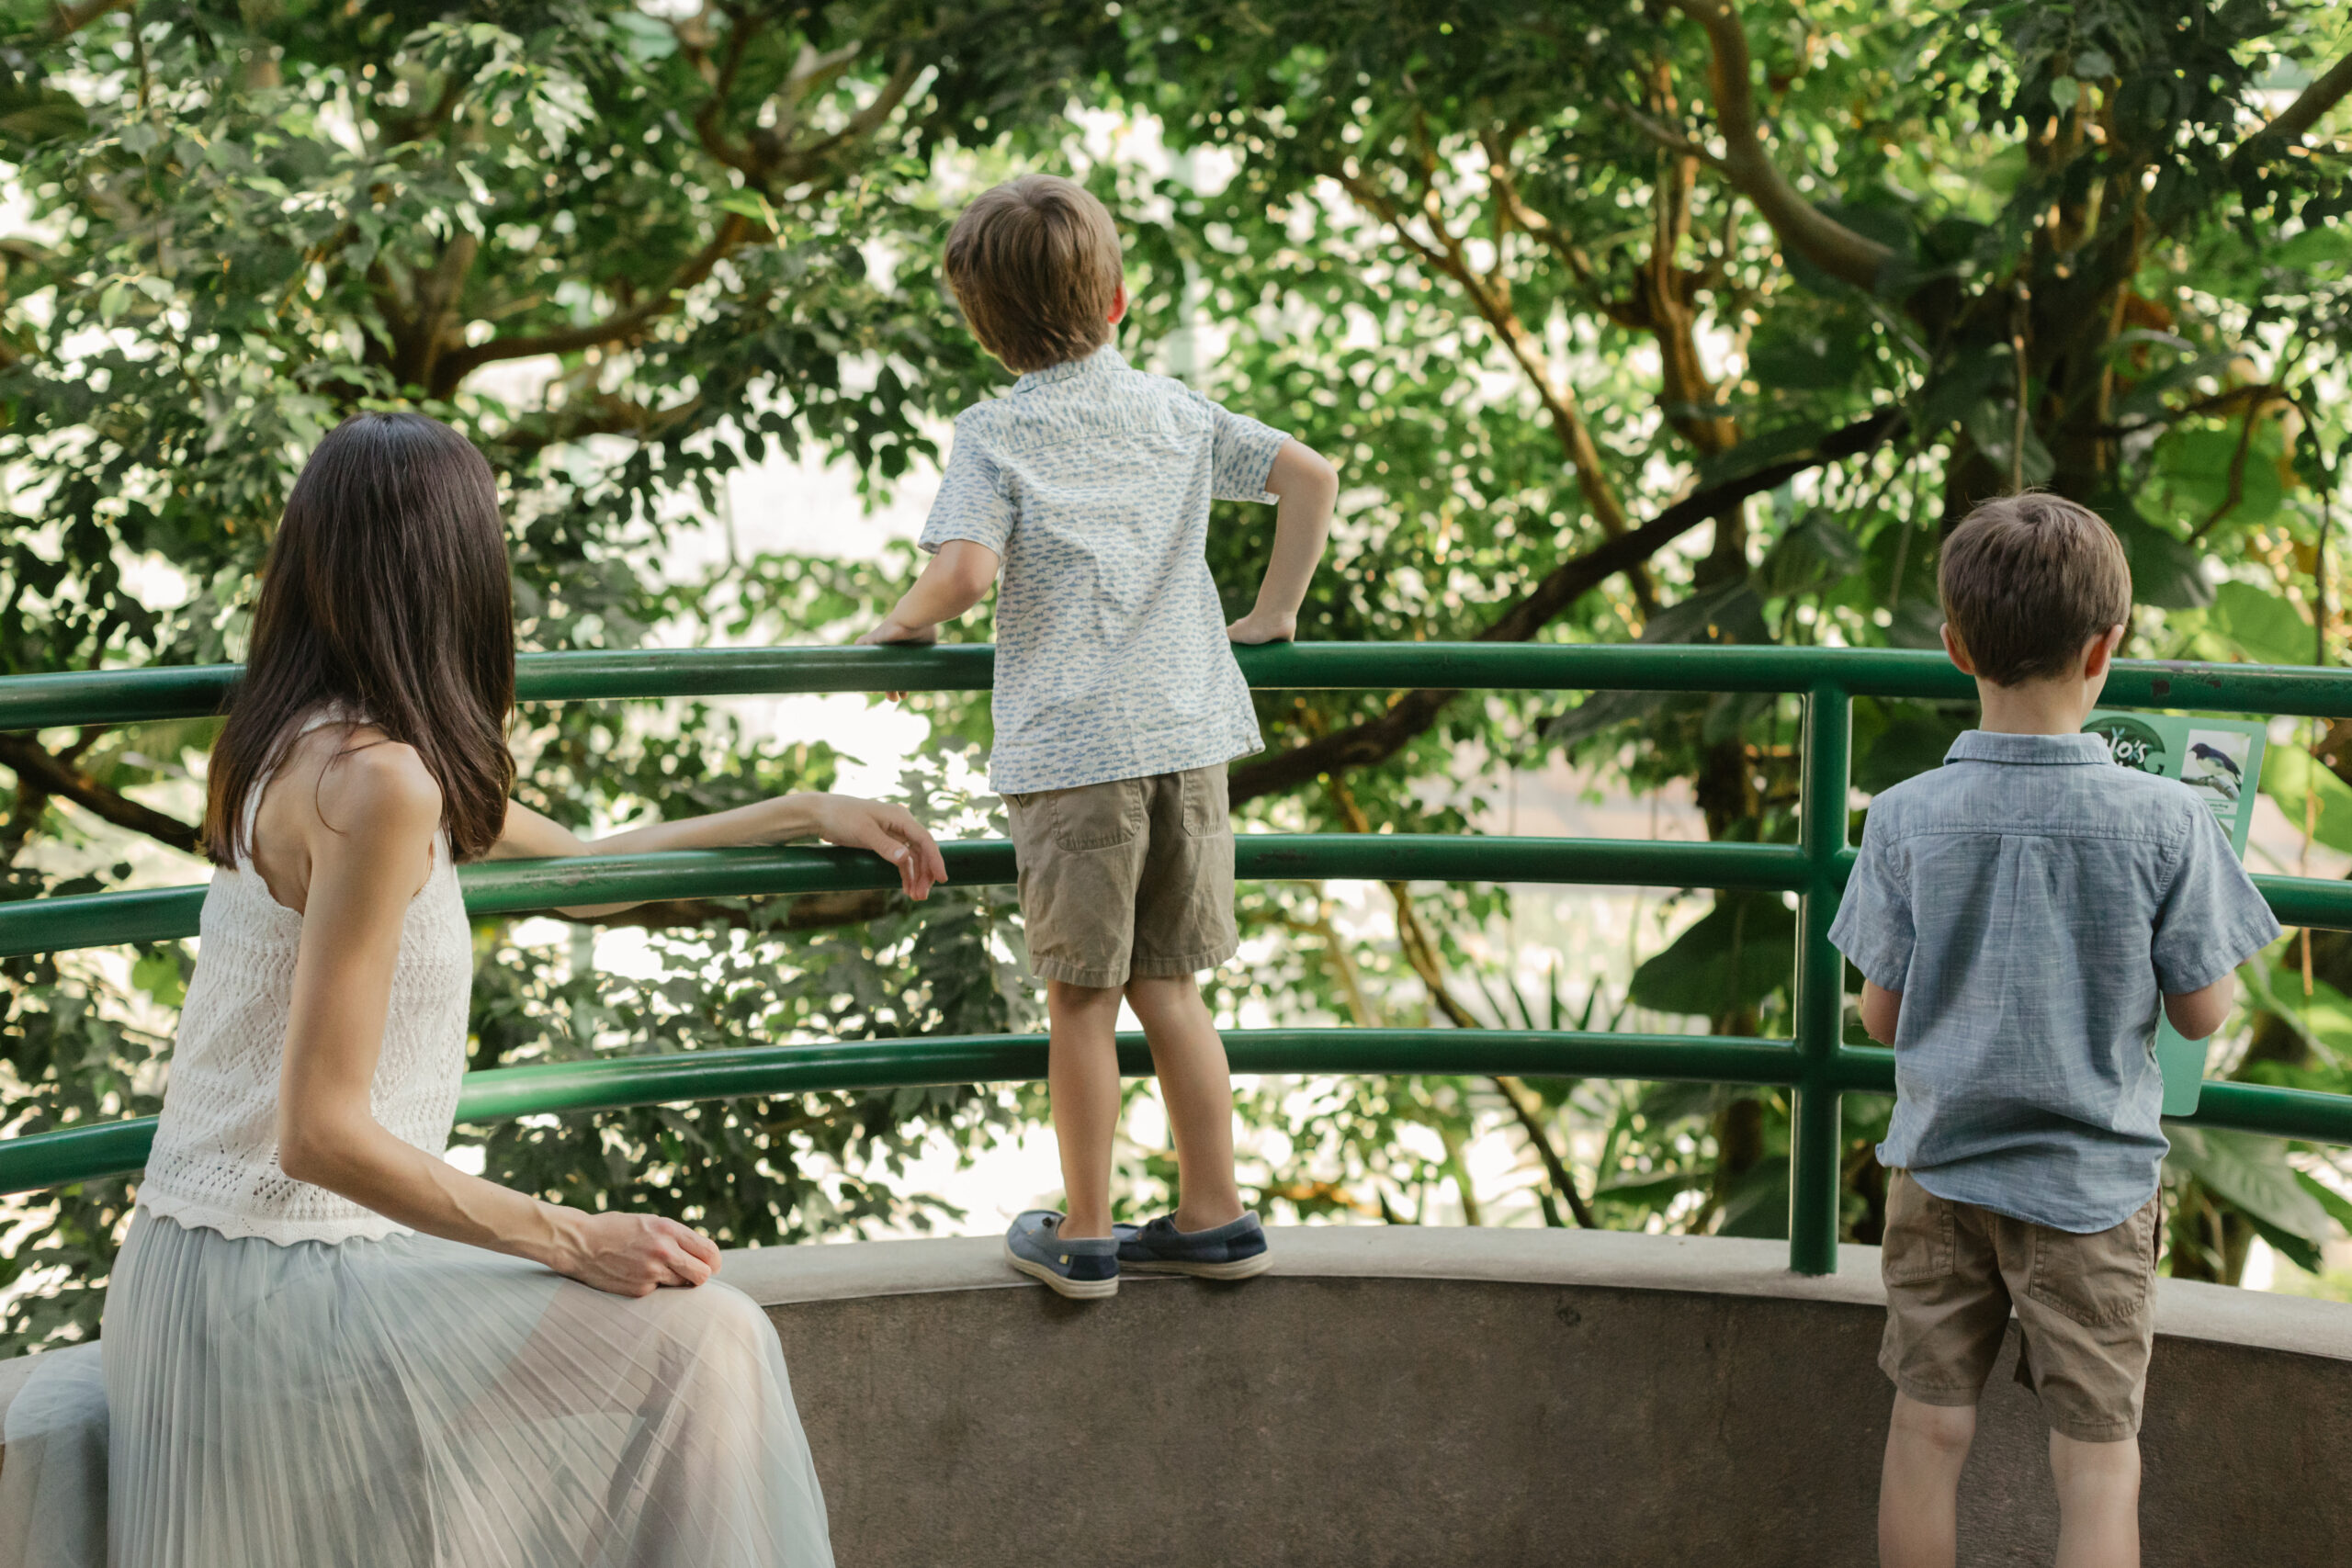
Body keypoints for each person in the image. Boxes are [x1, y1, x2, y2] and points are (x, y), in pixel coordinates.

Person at [0, 411, 952, 1567]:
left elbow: (585, 875)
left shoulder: (306, 740)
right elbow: (319, 1134)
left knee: (702, 1344)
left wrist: (804, 811)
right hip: (275, 1287)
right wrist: (571, 1238)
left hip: (210, 1268)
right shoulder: (378, 781)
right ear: (450, 571)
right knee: (713, 1344)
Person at [858, 174, 1337, 1298]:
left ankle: (1085, 1231)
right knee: (1171, 987)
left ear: (981, 326)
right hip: (1188, 735)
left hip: (1076, 755)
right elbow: (1309, 477)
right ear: (1116, 301)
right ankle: (1216, 1217)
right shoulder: (1172, 410)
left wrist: (898, 621)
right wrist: (1274, 613)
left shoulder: (995, 429)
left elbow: (966, 571)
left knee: (1081, 997)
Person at [1833, 494, 2281, 1568]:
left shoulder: (1899, 817)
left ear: (1953, 647)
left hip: (1938, 1175)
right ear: (2106, 648)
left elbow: (1881, 1015)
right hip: (2093, 1192)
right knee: (2095, 1455)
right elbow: (2201, 1009)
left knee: (1926, 1428)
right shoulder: (2170, 820)